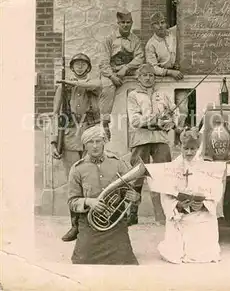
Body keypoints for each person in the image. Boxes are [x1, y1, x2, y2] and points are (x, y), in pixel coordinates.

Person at [67, 125, 140, 265]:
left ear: (104, 142)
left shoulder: (118, 164)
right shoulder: (77, 169)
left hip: (115, 223)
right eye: (90, 142)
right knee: (82, 261)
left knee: (126, 262)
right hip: (90, 223)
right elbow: (72, 201)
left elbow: (129, 191)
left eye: (98, 141)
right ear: (85, 145)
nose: (95, 146)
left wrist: (135, 197)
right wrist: (89, 202)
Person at [51, 53, 101, 242]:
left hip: (90, 135)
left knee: (92, 180)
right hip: (70, 134)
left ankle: (92, 223)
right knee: (74, 183)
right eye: (76, 64)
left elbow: (97, 88)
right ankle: (75, 226)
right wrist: (55, 140)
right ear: (72, 67)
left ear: (88, 67)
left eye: (83, 64)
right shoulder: (63, 88)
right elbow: (56, 114)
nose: (80, 67)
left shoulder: (93, 83)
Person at [157, 128, 223, 264]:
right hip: (180, 214)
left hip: (201, 213)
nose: (189, 152)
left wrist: (203, 204)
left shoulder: (206, 166)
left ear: (198, 148)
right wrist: (178, 205)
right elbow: (165, 193)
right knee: (174, 253)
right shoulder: (173, 167)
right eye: (186, 148)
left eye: (193, 149)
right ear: (180, 146)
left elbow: (216, 189)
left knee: (205, 253)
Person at [126, 63, 179, 226]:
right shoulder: (133, 95)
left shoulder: (162, 95)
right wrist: (155, 118)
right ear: (138, 78)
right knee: (137, 177)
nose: (148, 78)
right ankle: (132, 213)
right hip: (141, 140)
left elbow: (175, 114)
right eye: (145, 75)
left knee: (164, 175)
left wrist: (170, 122)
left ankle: (164, 214)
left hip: (160, 139)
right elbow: (135, 120)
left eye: (151, 75)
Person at [98, 9, 145, 139]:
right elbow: (103, 62)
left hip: (128, 69)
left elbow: (139, 57)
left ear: (132, 23)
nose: (125, 25)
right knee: (107, 87)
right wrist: (112, 76)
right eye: (122, 22)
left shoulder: (135, 40)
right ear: (118, 23)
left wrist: (126, 68)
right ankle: (105, 122)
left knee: (144, 78)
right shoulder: (109, 39)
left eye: (128, 22)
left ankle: (143, 114)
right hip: (112, 71)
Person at [145, 12, 183, 80]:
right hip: (163, 78)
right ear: (152, 27)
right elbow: (152, 68)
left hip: (178, 74)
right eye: (156, 23)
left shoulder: (172, 34)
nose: (160, 25)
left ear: (166, 24)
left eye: (162, 22)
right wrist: (170, 72)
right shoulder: (150, 45)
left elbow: (183, 23)